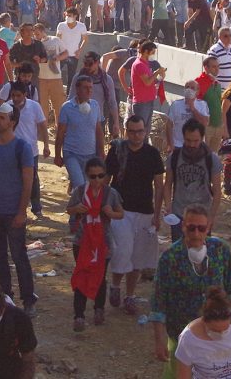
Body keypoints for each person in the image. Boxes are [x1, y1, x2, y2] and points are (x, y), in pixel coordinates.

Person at [150, 204, 231, 379]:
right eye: (191, 228)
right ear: (183, 226)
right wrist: (159, 340)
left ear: (208, 228)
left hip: (216, 334)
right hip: (180, 334)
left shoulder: (221, 251)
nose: (196, 234)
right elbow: (158, 303)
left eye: (201, 228)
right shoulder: (169, 258)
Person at [0, 102, 38, 316]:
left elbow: (28, 181)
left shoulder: (22, 147)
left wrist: (21, 212)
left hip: (13, 212)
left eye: (2, 118)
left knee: (19, 256)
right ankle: (5, 298)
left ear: (12, 122)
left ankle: (28, 299)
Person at [106, 113, 165, 318]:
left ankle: (129, 295)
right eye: (131, 131)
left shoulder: (152, 154)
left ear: (145, 131)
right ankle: (115, 285)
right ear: (126, 131)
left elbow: (159, 186)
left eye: (139, 131)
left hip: (144, 211)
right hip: (120, 211)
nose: (136, 135)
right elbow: (106, 179)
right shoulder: (117, 150)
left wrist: (157, 214)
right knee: (122, 250)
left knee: (138, 257)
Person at [66, 156, 124, 330]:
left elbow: (121, 213)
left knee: (100, 275)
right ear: (87, 176)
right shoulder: (79, 191)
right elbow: (69, 209)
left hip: (103, 242)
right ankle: (79, 315)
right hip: (82, 241)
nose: (97, 180)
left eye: (101, 175)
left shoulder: (110, 193)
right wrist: (77, 209)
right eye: (93, 176)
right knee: (82, 274)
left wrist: (110, 213)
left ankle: (99, 308)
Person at [173, 285, 231, 379]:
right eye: (215, 330)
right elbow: (183, 376)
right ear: (204, 320)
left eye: (226, 329)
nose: (221, 334)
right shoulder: (188, 339)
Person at [164, 120, 223, 242]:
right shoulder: (174, 157)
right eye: (188, 140)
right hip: (179, 214)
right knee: (179, 253)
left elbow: (217, 191)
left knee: (200, 254)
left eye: (195, 141)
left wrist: (211, 217)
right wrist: (168, 207)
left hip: (202, 215)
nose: (191, 144)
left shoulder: (211, 159)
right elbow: (167, 184)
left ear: (202, 138)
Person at [54, 75, 104, 191]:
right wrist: (57, 155)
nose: (89, 90)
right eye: (85, 87)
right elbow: (60, 132)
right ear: (77, 89)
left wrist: (101, 151)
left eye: (91, 88)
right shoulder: (67, 107)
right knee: (81, 186)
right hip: (71, 153)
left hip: (90, 154)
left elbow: (98, 130)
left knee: (87, 186)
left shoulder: (95, 105)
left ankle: (77, 205)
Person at [8, 82, 48, 217]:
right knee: (14, 179)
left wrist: (47, 145)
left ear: (25, 95)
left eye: (18, 95)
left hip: (31, 151)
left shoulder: (35, 106)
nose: (15, 98)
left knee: (33, 180)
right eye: (13, 95)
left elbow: (42, 125)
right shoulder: (7, 108)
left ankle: (36, 207)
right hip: (12, 151)